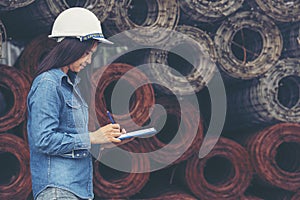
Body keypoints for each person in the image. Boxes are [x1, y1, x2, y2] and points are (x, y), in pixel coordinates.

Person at [27, 7, 126, 200]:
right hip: (58, 190)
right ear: (72, 48)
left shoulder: (69, 85)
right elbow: (43, 140)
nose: (89, 61)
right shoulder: (48, 84)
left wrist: (102, 141)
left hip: (75, 189)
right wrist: (92, 137)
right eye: (87, 53)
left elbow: (70, 138)